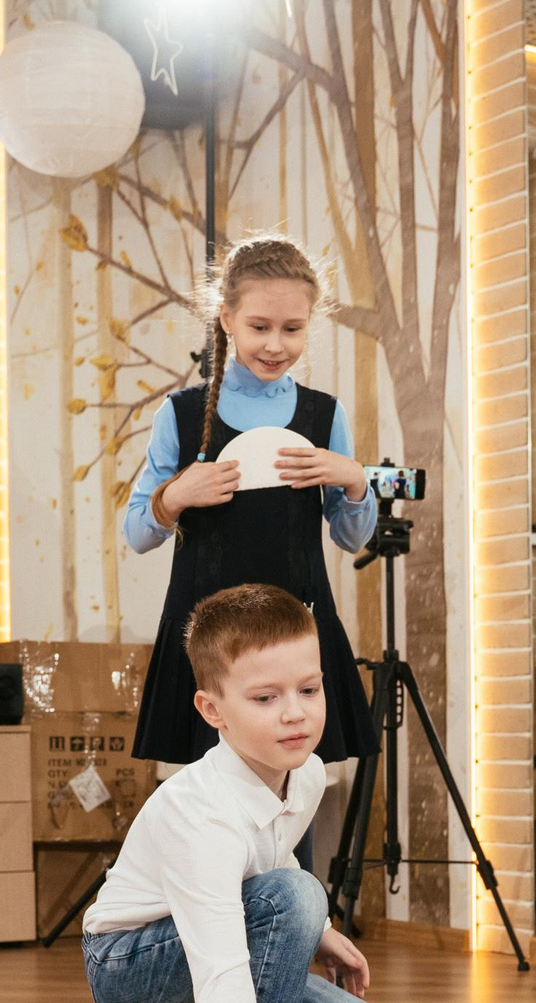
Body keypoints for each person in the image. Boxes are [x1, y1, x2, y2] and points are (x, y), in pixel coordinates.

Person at [81, 585, 414, 1003]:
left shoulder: (305, 773)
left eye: (308, 689)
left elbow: (271, 850)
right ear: (214, 710)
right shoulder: (198, 813)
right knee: (297, 895)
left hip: (208, 946)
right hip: (130, 970)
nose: (295, 713)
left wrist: (321, 931)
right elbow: (224, 970)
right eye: (266, 697)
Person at [123, 235, 374, 777]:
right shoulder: (183, 413)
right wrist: (173, 498)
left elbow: (352, 538)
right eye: (260, 327)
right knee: (208, 824)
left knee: (291, 813)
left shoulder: (324, 415)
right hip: (212, 649)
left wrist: (355, 481)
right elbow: (137, 532)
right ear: (227, 318)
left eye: (292, 329)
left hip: (295, 643)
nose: (275, 345)